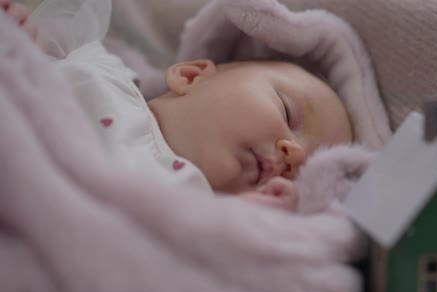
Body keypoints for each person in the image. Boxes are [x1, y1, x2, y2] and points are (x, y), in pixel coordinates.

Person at [3, 0, 353, 212]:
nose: (294, 154)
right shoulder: (102, 71)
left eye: (305, 170)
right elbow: (34, 71)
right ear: (190, 74)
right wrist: (19, 43)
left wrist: (243, 217)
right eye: (288, 113)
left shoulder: (193, 202)